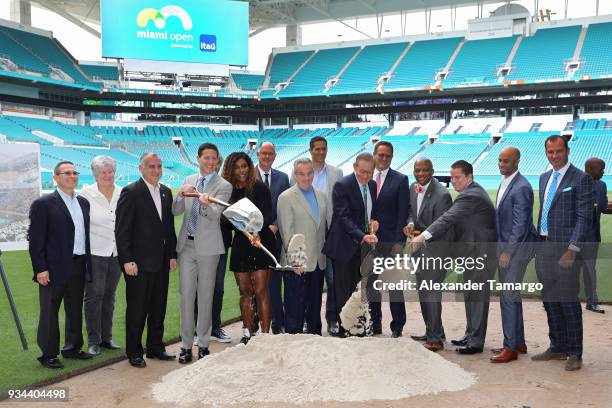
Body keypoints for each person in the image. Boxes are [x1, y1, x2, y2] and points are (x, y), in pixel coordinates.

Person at [410, 160, 497, 355]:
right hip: (472, 253)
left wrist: (423, 236)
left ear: (469, 177)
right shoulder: (471, 192)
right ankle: (471, 335)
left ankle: (475, 342)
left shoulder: (470, 196)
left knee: (476, 298)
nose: (454, 181)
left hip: (480, 254)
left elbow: (447, 219)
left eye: (458, 177)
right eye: (452, 177)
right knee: (471, 296)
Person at [532, 136, 594, 371]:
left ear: (567, 151)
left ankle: (574, 352)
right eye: (550, 152)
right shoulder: (544, 177)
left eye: (559, 151)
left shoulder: (581, 178)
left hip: (566, 250)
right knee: (549, 301)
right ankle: (557, 346)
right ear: (546, 153)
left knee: (568, 301)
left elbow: (584, 218)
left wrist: (572, 249)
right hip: (544, 247)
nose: (555, 156)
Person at [115, 153, 178, 368]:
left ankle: (155, 347)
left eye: (159, 166)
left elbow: (168, 228)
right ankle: (134, 351)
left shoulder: (165, 192)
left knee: (158, 306)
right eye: (151, 166)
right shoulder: (131, 192)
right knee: (137, 309)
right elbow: (122, 231)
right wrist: (127, 260)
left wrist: (172, 254)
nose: (156, 170)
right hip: (138, 264)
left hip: (161, 261)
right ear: (141, 168)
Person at [29, 161, 93, 369]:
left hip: (79, 263)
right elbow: (36, 240)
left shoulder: (83, 202)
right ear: (56, 177)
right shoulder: (43, 203)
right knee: (50, 311)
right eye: (67, 173)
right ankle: (48, 354)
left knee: (74, 309)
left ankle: (72, 348)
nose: (72, 176)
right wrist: (40, 269)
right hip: (53, 268)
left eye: (75, 172)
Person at [173, 143, 232, 364]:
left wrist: (205, 204)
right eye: (206, 158)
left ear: (218, 161)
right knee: (186, 297)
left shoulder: (223, 185)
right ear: (198, 158)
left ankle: (204, 344)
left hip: (208, 249)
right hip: (186, 247)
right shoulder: (188, 180)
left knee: (206, 296)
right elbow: (176, 210)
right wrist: (179, 196)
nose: (210, 162)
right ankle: (186, 346)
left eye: (213, 159)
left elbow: (215, 215)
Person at [221, 152, 275, 344]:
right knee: (245, 291)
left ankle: (265, 335)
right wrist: (225, 217)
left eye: (244, 166)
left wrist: (256, 230)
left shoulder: (259, 187)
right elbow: (227, 223)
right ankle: (248, 333)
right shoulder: (227, 192)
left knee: (261, 290)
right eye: (236, 167)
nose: (241, 170)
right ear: (230, 170)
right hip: (241, 245)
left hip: (260, 242)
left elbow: (267, 215)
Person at [490, 147, 537, 363]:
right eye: (499, 160)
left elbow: (521, 225)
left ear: (517, 161)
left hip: (515, 251)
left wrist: (508, 251)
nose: (501, 164)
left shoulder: (522, 187)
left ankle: (510, 348)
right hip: (506, 248)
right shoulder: (506, 181)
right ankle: (518, 341)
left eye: (506, 161)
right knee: (513, 297)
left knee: (508, 297)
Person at [323, 152, 378, 336]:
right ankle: (344, 331)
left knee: (361, 291)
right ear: (355, 167)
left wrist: (374, 223)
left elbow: (369, 213)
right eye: (362, 171)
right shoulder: (342, 185)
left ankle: (359, 328)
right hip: (344, 247)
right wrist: (362, 235)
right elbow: (343, 217)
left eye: (369, 172)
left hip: (363, 248)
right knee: (344, 292)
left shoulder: (372, 184)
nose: (366, 176)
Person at [403, 158, 452, 352]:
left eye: (425, 170)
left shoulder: (442, 194)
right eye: (417, 170)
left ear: (432, 171)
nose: (420, 174)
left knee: (431, 294)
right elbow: (411, 212)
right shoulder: (413, 187)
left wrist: (420, 237)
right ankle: (434, 330)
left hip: (435, 251)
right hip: (418, 250)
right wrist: (410, 225)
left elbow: (441, 226)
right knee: (424, 293)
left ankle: (435, 340)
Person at [277, 158, 327, 335]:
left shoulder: (321, 195)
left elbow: (322, 229)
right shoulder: (286, 197)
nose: (306, 178)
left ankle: (315, 341)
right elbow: (286, 231)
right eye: (301, 174)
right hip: (297, 264)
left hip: (318, 261)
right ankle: (293, 342)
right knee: (295, 310)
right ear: (295, 175)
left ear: (313, 173)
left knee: (315, 307)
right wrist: (295, 261)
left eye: (309, 173)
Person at [79, 156, 123, 356]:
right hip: (95, 253)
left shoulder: (123, 192)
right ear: (95, 174)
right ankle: (93, 340)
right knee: (94, 296)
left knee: (109, 296)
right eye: (103, 172)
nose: (107, 175)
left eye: (110, 171)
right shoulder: (85, 194)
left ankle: (107, 337)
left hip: (116, 253)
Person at [368, 141, 409, 337]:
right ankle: (375, 323)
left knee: (394, 287)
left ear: (391, 157)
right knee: (372, 285)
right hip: (369, 243)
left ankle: (397, 325)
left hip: (392, 244)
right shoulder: (365, 178)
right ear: (374, 155)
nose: (384, 159)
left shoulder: (400, 180)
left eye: (388, 156)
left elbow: (403, 213)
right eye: (381, 155)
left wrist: (400, 243)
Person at [309, 135, 343, 335]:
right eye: (317, 149)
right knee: (310, 279)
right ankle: (311, 321)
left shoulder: (337, 173)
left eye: (324, 148)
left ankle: (332, 319)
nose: (321, 152)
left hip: (330, 233)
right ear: (311, 150)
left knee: (332, 279)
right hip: (308, 234)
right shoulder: (300, 172)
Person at [256, 141, 290, 334]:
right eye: (264, 153)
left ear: (275, 156)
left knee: (275, 283)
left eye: (270, 154)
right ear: (258, 155)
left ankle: (278, 322)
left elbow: (284, 205)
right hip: (253, 238)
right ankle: (255, 324)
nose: (267, 157)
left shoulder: (283, 178)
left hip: (276, 238)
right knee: (255, 285)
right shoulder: (248, 175)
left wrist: (276, 225)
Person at [581, 157, 611, 313]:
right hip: (574, 237)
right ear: (591, 169)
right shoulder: (576, 183)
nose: (604, 171)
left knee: (589, 269)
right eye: (602, 168)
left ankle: (591, 302)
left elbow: (604, 207)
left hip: (592, 237)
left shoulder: (602, 185)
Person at [210, 153, 232, 342]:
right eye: (209, 161)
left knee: (217, 287)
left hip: (221, 243)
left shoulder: (226, 187)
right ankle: (197, 327)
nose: (213, 165)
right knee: (199, 287)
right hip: (199, 243)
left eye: (216, 162)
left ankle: (215, 326)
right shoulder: (195, 184)